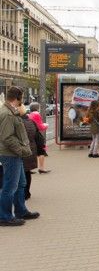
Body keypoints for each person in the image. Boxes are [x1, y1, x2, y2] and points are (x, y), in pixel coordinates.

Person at [0, 86, 40, 226]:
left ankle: (21, 211)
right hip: (10, 154)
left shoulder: (12, 112)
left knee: (20, 184)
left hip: (15, 154)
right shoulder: (7, 114)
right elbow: (6, 138)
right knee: (10, 186)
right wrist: (21, 150)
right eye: (22, 97)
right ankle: (4, 216)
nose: (23, 100)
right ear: (18, 98)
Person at [20, 111, 38, 200]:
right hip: (31, 150)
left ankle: (22, 194)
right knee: (27, 172)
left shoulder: (18, 123)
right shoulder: (31, 122)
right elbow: (37, 136)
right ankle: (27, 192)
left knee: (20, 173)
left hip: (21, 151)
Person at [28, 102, 50, 174]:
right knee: (41, 150)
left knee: (32, 151)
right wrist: (45, 125)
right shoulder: (37, 115)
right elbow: (39, 126)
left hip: (31, 134)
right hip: (37, 134)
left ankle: (29, 168)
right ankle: (41, 168)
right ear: (37, 108)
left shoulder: (30, 115)